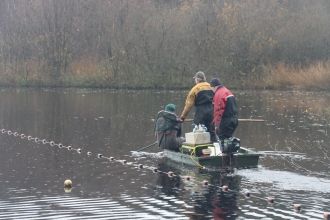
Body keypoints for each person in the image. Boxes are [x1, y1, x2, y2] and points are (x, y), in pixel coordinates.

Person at [178, 71, 216, 142]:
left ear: (197, 80)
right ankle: (216, 148)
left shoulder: (195, 89)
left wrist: (182, 117)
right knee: (212, 131)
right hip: (211, 112)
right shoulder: (211, 87)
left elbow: (188, 105)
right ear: (204, 78)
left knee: (199, 132)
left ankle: (200, 151)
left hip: (200, 112)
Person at [209, 78, 238, 144]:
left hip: (226, 122)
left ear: (214, 86)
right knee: (228, 140)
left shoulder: (218, 94)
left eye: (211, 88)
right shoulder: (228, 91)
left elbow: (218, 110)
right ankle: (231, 152)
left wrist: (216, 125)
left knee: (223, 142)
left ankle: (225, 153)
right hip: (234, 120)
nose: (212, 90)